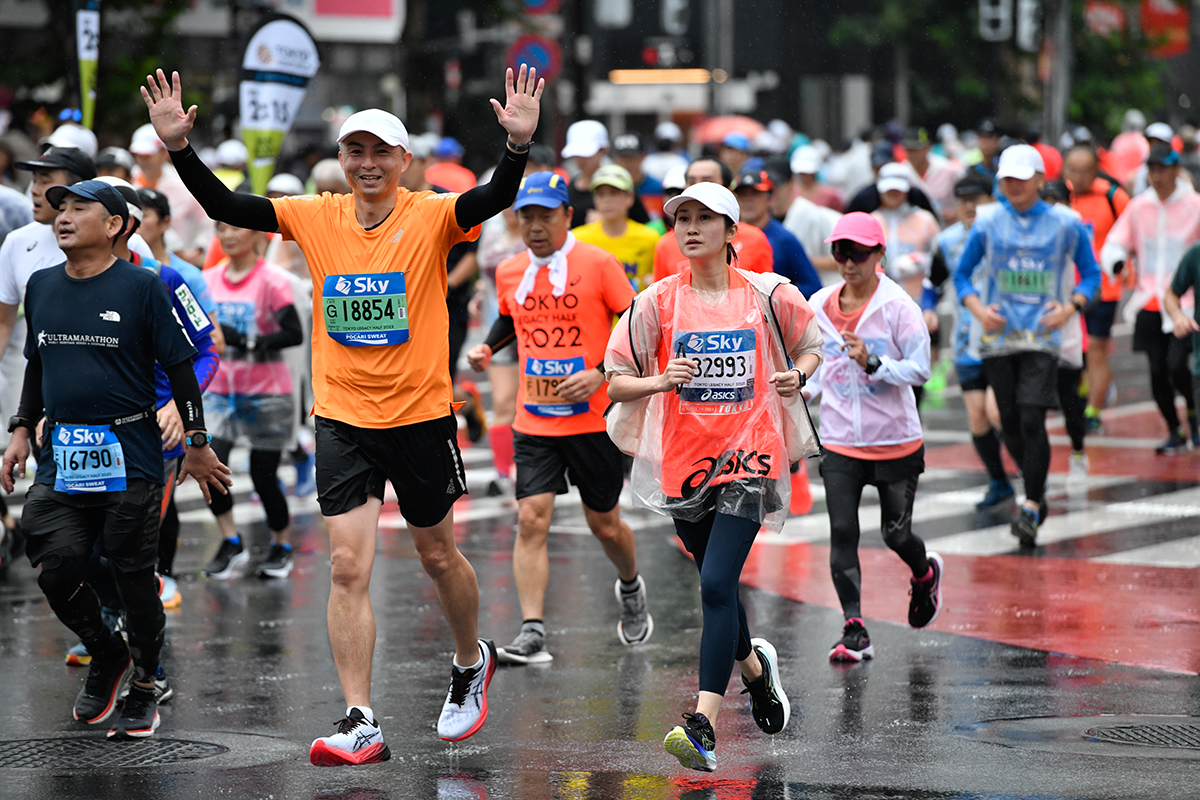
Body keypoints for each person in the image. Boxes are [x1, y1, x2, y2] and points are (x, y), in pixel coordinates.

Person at [142, 64, 543, 762]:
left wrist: (516, 149)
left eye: (379, 151)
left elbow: (491, 199)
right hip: (342, 416)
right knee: (346, 568)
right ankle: (361, 717)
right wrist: (180, 150)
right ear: (341, 160)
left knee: (437, 552)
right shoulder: (316, 215)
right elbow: (229, 207)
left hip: (419, 415)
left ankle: (470, 660)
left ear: (403, 161)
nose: (366, 163)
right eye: (354, 151)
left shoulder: (430, 215)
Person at [1, 179, 230, 739]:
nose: (64, 217)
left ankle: (147, 680)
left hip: (131, 453)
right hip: (63, 454)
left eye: (81, 209)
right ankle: (109, 655)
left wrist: (196, 442)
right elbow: (38, 364)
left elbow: (184, 366)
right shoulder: (41, 285)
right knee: (54, 561)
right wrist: (20, 429)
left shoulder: (144, 288)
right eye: (61, 208)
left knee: (133, 577)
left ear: (115, 226)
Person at [606, 182, 821, 772]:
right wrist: (660, 381)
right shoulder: (655, 303)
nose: (691, 227)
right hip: (685, 461)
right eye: (683, 219)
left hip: (751, 456)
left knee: (716, 583)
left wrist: (796, 376)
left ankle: (702, 724)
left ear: (732, 233)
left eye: (706, 218)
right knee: (716, 582)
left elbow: (810, 346)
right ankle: (753, 668)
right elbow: (616, 380)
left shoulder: (769, 294)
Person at [465, 171, 649, 664]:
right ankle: (532, 631)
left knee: (605, 524)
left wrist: (599, 373)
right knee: (530, 518)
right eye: (527, 215)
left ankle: (630, 587)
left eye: (546, 214)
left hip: (592, 420)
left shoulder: (599, 264)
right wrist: (487, 345)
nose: (536, 225)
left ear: (568, 215)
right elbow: (510, 316)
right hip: (535, 418)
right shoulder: (510, 270)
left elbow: (636, 326)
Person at [804, 211, 941, 663]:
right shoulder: (820, 305)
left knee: (895, 535)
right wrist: (796, 386)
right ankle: (854, 626)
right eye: (840, 252)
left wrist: (875, 364)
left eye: (858, 253)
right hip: (840, 440)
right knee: (842, 530)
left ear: (879, 254)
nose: (848, 262)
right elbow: (818, 371)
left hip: (895, 441)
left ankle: (924, 576)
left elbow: (921, 369)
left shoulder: (899, 307)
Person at [954, 145, 1100, 547]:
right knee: (1011, 422)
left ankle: (1032, 505)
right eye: (1006, 179)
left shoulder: (1066, 224)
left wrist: (1070, 307)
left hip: (1042, 337)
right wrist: (979, 310)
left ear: (1039, 179)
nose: (1013, 186)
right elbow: (962, 275)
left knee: (1034, 417)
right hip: (998, 338)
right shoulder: (986, 223)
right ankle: (1034, 482)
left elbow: (1092, 275)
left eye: (1021, 178)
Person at [199, 217, 303, 580]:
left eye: (234, 228)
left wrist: (246, 341)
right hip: (220, 392)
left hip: (267, 392)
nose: (227, 235)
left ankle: (281, 544)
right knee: (212, 468)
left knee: (263, 474)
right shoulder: (208, 280)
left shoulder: (271, 280)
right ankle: (231, 540)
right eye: (220, 229)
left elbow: (294, 333)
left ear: (257, 233)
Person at [1100, 142, 1200, 453]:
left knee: (1178, 366)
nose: (1156, 176)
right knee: (1157, 370)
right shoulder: (1140, 206)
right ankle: (1174, 429)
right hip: (1149, 299)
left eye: (1162, 169)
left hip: (1186, 303)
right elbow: (1116, 241)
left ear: (1175, 170)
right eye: (1151, 170)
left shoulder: (1194, 205)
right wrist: (1117, 262)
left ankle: (1193, 417)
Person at [925, 175, 1014, 508]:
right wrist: (929, 309)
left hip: (1005, 339)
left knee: (998, 413)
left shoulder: (1005, 232)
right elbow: (932, 282)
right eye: (962, 200)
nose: (969, 206)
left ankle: (1030, 472)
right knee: (978, 417)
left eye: (976, 199)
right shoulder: (946, 242)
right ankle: (998, 481)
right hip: (965, 344)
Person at [1063, 144, 1130, 433]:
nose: (1077, 178)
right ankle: (1090, 391)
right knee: (1074, 350)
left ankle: (1092, 410)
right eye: (1072, 171)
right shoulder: (1061, 195)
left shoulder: (1113, 196)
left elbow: (1131, 232)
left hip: (1104, 289)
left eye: (1083, 171)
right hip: (1069, 288)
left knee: (1096, 350)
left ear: (1095, 170)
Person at [652, 158, 774, 281]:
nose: (698, 187)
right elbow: (660, 297)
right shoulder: (664, 245)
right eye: (691, 181)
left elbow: (763, 292)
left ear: (728, 190)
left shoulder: (755, 238)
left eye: (707, 181)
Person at [733, 167, 821, 298]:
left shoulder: (784, 239)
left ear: (771, 199)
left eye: (755, 194)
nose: (748, 200)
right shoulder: (727, 235)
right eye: (743, 195)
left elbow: (812, 285)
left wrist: (776, 298)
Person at [129, 123, 210, 263]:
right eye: (138, 155)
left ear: (163, 153)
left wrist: (199, 249)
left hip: (179, 261)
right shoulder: (128, 182)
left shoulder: (183, 183)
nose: (142, 161)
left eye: (148, 155)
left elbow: (207, 220)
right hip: (136, 261)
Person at [572, 164, 661, 290]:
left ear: (629, 198)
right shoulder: (578, 239)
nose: (607, 200)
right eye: (601, 194)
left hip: (636, 308)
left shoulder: (650, 238)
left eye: (614, 193)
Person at [902, 127, 962, 224]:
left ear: (927, 147)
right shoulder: (901, 171)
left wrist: (957, 212)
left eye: (916, 149)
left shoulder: (948, 169)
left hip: (945, 228)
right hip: (914, 232)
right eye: (909, 150)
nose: (912, 154)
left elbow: (964, 195)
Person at [612, 133, 665, 226]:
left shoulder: (658, 188)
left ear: (643, 156)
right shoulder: (608, 188)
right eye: (622, 157)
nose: (627, 163)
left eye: (631, 157)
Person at [788, 145, 843, 212]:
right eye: (802, 172)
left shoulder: (830, 195)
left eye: (807, 173)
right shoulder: (790, 193)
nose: (805, 176)